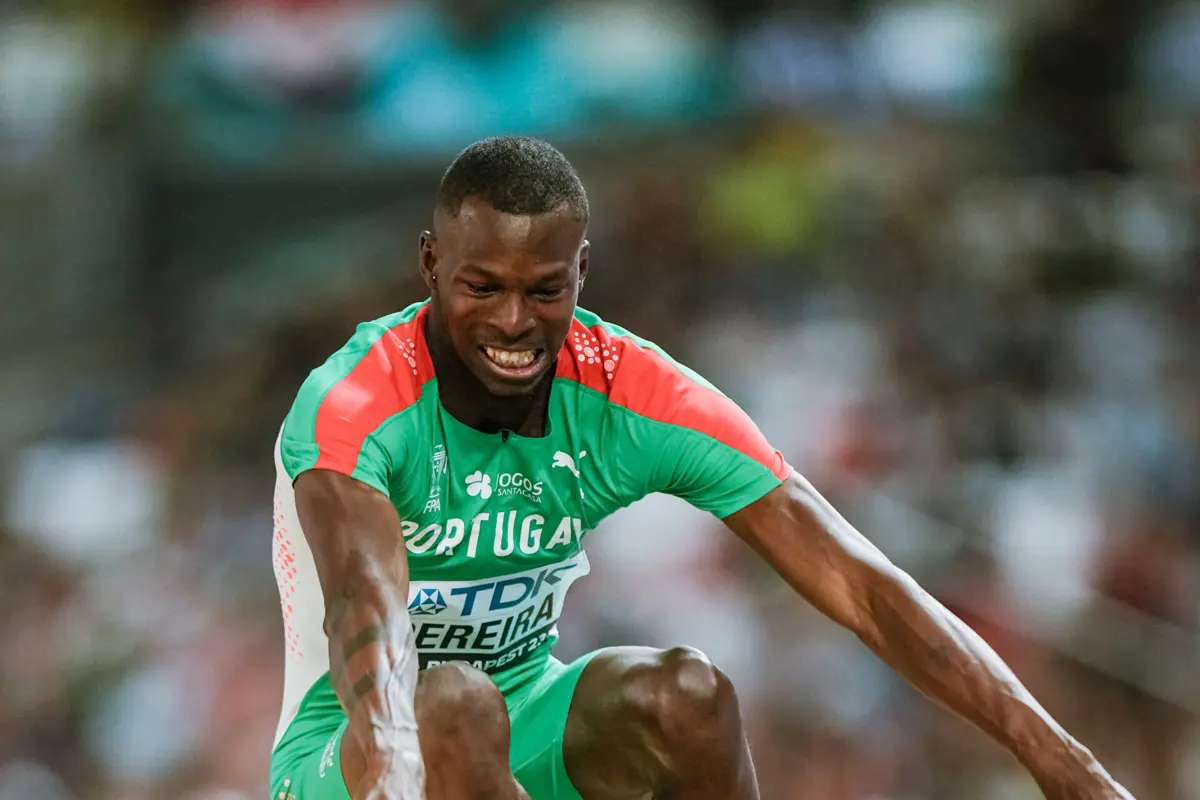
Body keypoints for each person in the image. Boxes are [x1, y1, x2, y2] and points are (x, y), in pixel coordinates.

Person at [267, 136, 1133, 800]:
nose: (514, 324)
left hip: (522, 719)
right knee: (452, 700)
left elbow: (864, 586)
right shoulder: (355, 403)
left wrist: (1065, 765)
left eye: (545, 290)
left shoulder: (629, 392)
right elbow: (368, 633)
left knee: (689, 692)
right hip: (350, 750)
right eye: (480, 286)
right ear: (429, 265)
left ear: (583, 272)